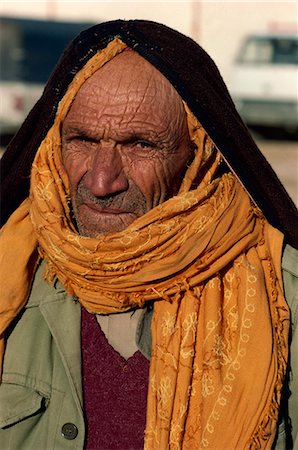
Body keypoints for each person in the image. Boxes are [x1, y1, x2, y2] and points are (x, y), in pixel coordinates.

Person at [0, 19, 297, 450]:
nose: (102, 182)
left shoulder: (281, 295)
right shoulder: (12, 271)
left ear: (199, 152)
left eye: (140, 145)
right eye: (81, 140)